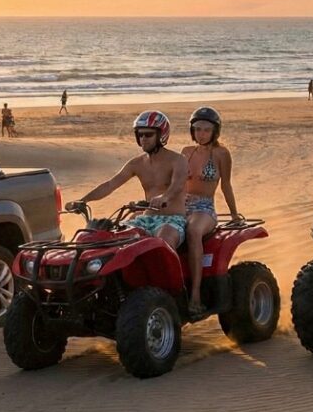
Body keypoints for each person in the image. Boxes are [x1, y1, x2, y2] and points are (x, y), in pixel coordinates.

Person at [70, 110, 188, 258]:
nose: (143, 138)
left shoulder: (178, 160)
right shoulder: (136, 163)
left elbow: (178, 184)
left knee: (164, 239)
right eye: (140, 135)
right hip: (146, 219)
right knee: (116, 238)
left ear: (161, 135)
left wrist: (165, 197)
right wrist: (82, 200)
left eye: (148, 134)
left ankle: (174, 281)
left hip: (173, 219)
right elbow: (110, 185)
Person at [180, 107, 243, 313]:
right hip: (182, 204)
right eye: (197, 129)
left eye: (206, 130)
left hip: (204, 207)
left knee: (193, 231)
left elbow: (226, 185)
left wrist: (234, 214)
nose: (201, 134)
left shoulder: (221, 154)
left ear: (215, 131)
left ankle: (196, 294)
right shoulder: (186, 152)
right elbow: (177, 183)